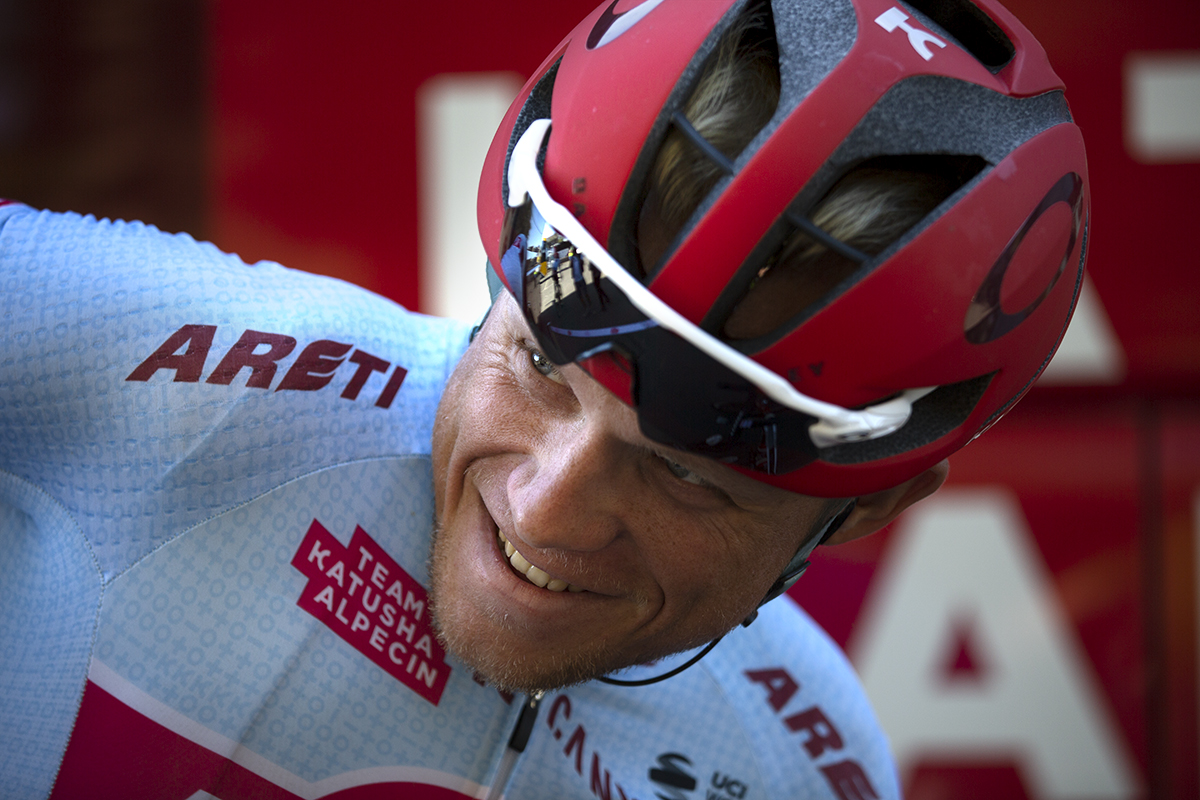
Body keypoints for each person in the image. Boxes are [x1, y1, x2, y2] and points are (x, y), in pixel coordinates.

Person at [0, 0, 1088, 798]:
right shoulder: (181, 374)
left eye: (683, 471)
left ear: (866, 510)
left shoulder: (797, 757)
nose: (546, 505)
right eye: (536, 364)